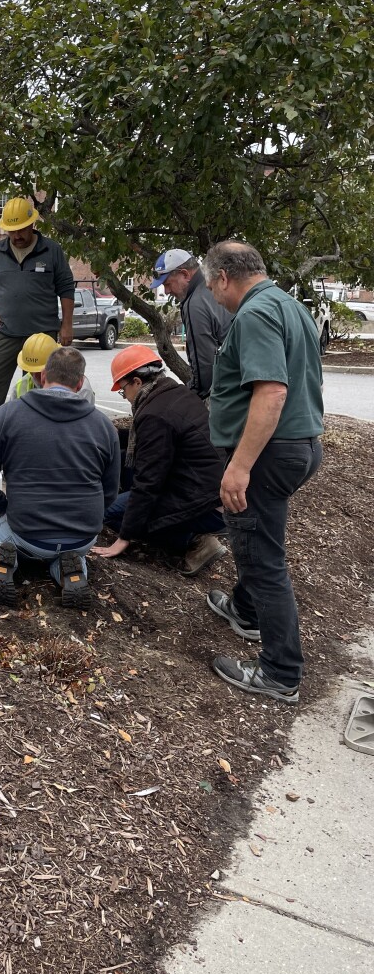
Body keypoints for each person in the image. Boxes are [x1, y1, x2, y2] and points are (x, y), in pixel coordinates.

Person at [203, 240, 324, 704]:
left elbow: (271, 393)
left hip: (269, 454)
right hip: (299, 446)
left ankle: (280, 672)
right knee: (261, 538)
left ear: (223, 278)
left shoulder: (253, 315)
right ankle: (245, 610)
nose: (214, 296)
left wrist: (239, 466)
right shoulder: (289, 304)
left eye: (213, 285)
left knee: (262, 558)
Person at [0, 346, 120, 608]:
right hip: (83, 535)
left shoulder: (7, 415)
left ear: (41, 376)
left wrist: (0, 506)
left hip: (27, 532)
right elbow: (110, 490)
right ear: (80, 382)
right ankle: (72, 571)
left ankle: (0, 561)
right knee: (71, 554)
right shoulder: (103, 426)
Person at [90, 346, 228, 575]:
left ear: (136, 381)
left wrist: (123, 538)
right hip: (208, 488)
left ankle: (192, 539)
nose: (125, 397)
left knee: (108, 513)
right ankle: (188, 530)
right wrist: (111, 435)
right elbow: (147, 447)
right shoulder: (173, 393)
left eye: (123, 391)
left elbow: (148, 483)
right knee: (125, 462)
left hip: (204, 505)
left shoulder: (154, 415)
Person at [0, 197, 76, 414]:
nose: (16, 236)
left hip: (43, 336)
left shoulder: (52, 250)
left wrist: (67, 325)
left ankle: (34, 431)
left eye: (21, 230)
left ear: (32, 224)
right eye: (11, 231)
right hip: (6, 333)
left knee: (40, 390)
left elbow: (65, 288)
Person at [151, 249, 232, 400]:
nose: (166, 291)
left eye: (168, 284)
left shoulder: (194, 303)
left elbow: (204, 365)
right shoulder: (217, 284)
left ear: (185, 274)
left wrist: (192, 395)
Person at [11, 332, 95, 404]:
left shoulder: (83, 388)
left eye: (39, 372)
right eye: (31, 371)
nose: (36, 376)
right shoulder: (21, 386)